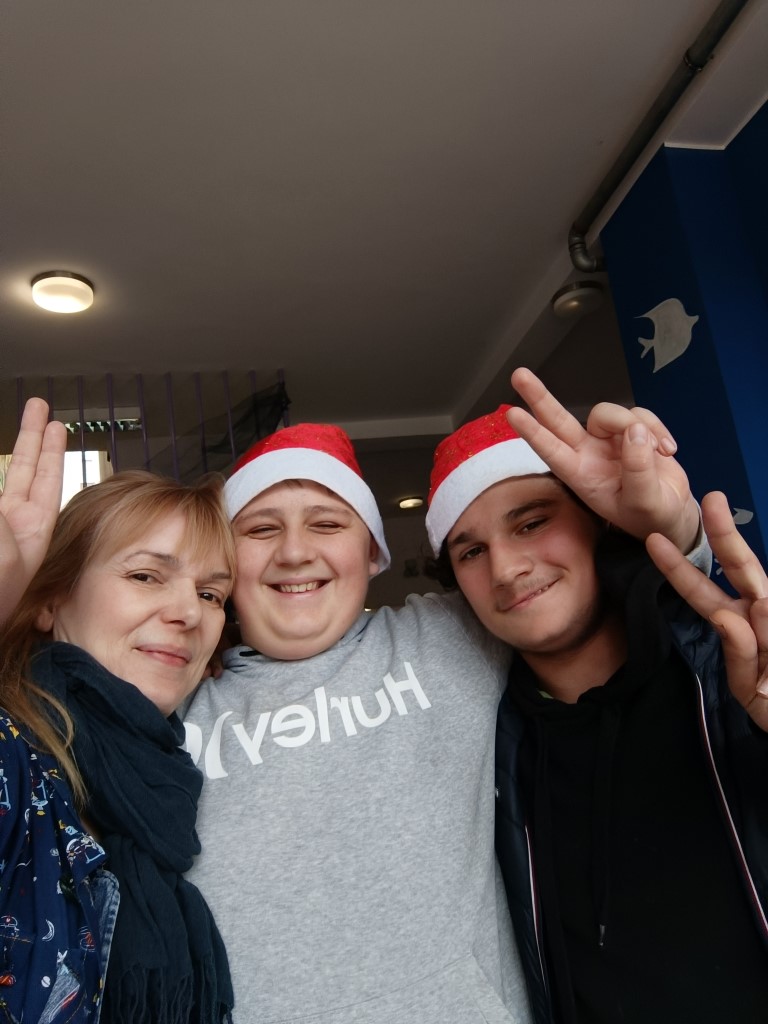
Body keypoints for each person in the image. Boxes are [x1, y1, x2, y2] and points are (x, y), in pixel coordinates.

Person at [182, 387, 703, 1024]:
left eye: (327, 524)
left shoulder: (449, 634)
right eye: (261, 529)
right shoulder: (169, 701)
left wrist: (666, 528)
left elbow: (604, 608)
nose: (293, 551)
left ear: (371, 552)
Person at [423, 371, 768, 1024]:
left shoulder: (727, 678)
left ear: (598, 521)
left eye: (532, 522)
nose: (505, 569)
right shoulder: (489, 750)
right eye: (470, 552)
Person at [0, 399, 236, 1024]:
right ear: (50, 599)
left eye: (211, 593)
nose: (189, 612)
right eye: (146, 576)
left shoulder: (171, 775)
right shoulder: (14, 758)